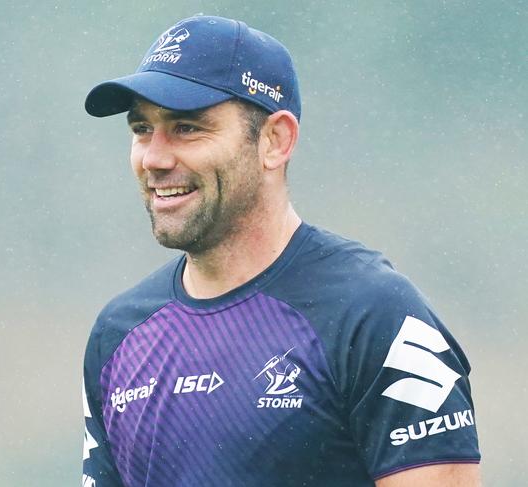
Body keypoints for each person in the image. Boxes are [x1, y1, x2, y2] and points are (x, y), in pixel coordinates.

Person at [81, 15, 481, 487]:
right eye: (142, 129)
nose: (155, 157)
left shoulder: (374, 315)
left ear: (276, 140)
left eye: (187, 128)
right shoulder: (117, 334)